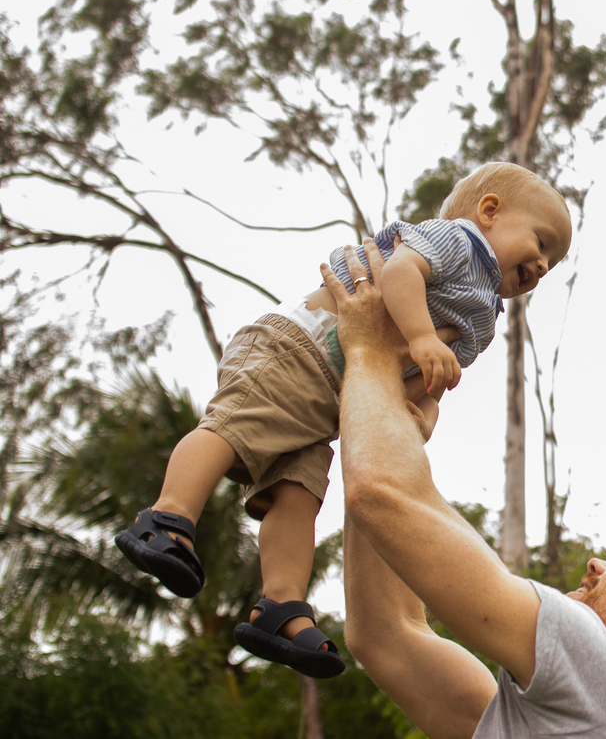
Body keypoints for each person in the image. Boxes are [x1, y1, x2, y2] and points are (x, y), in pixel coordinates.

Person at [115, 162, 573, 678]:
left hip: (332, 399)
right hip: (297, 348)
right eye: (541, 242)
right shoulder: (458, 241)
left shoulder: (483, 317)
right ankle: (168, 516)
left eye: (553, 261)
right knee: (233, 428)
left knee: (297, 494)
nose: (543, 264)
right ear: (488, 211)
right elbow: (399, 274)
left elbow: (434, 375)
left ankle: (280, 606)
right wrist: (422, 336)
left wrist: (420, 414)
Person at [327, 242, 606, 735]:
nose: (598, 563)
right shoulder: (588, 720)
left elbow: (382, 494)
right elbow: (387, 634)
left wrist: (370, 349)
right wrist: (387, 414)